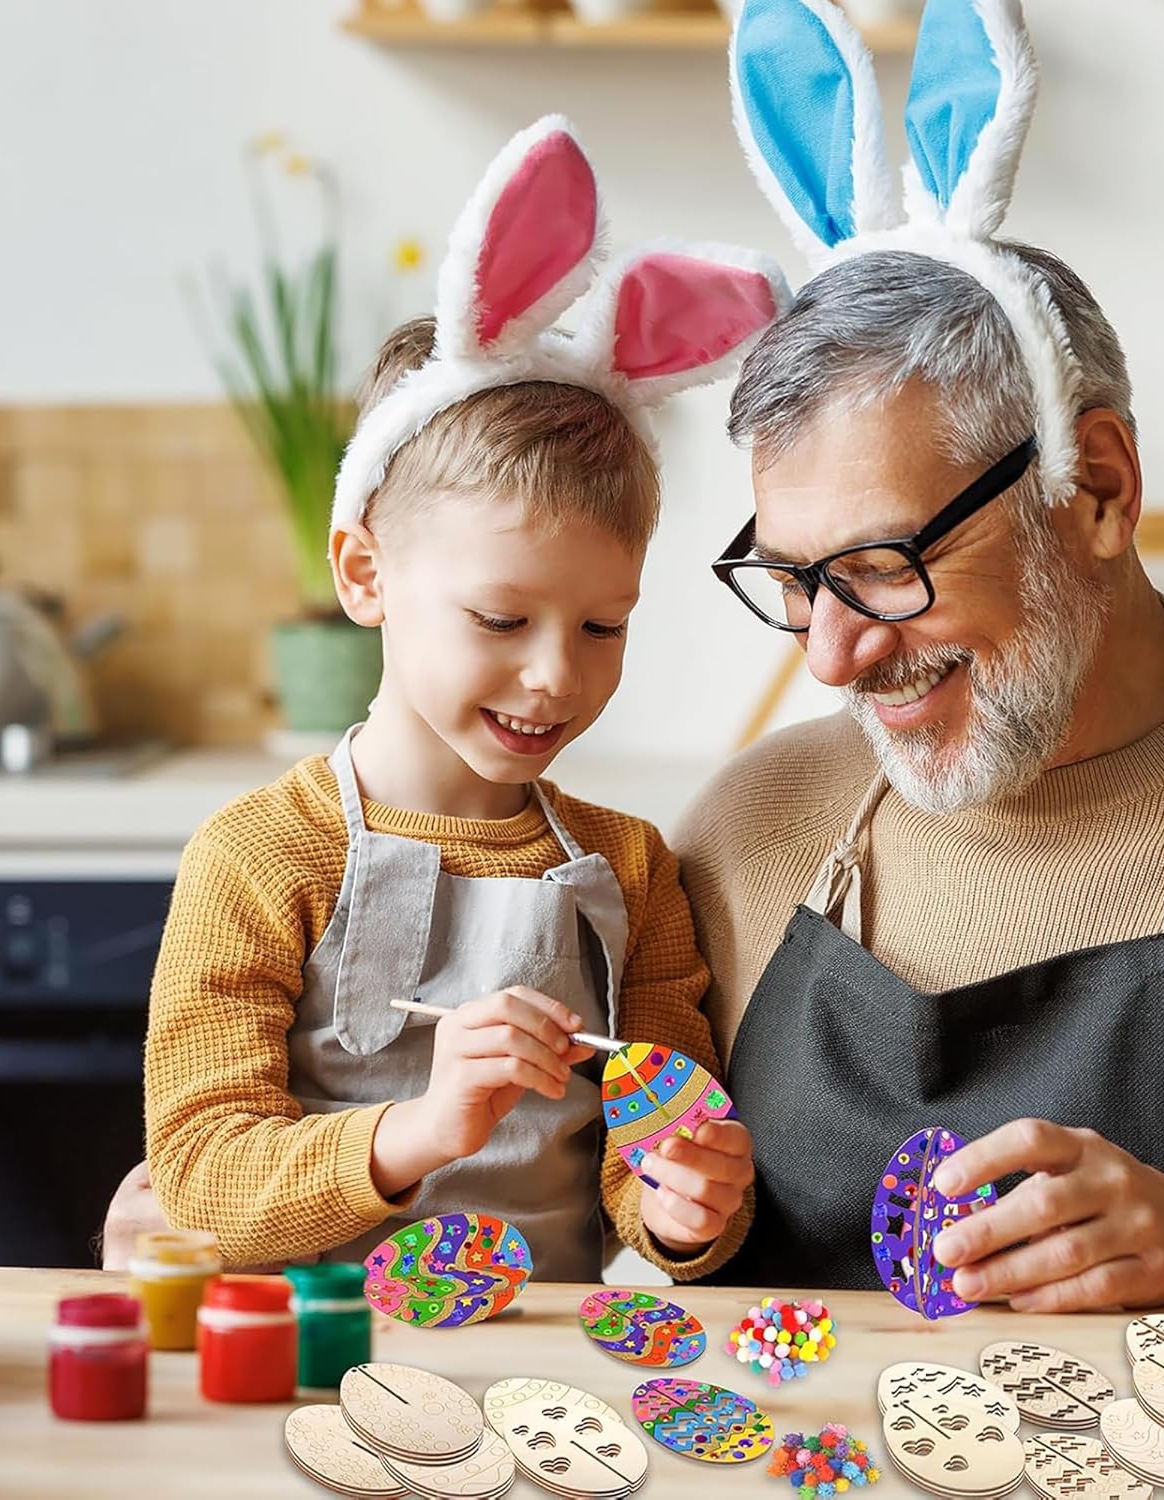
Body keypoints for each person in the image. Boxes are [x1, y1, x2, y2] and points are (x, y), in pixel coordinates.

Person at [675, 0, 1164, 1307]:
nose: (829, 660)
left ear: (1098, 488)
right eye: (795, 578)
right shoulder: (740, 835)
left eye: (885, 567)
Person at [136, 118, 787, 1278]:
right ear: (363, 574)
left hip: (552, 1394)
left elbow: (655, 1169)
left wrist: (686, 1210)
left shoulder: (633, 870)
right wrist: (422, 1132)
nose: (557, 674)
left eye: (605, 626)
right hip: (316, 1371)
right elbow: (200, 1179)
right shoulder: (257, 859)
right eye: (500, 619)